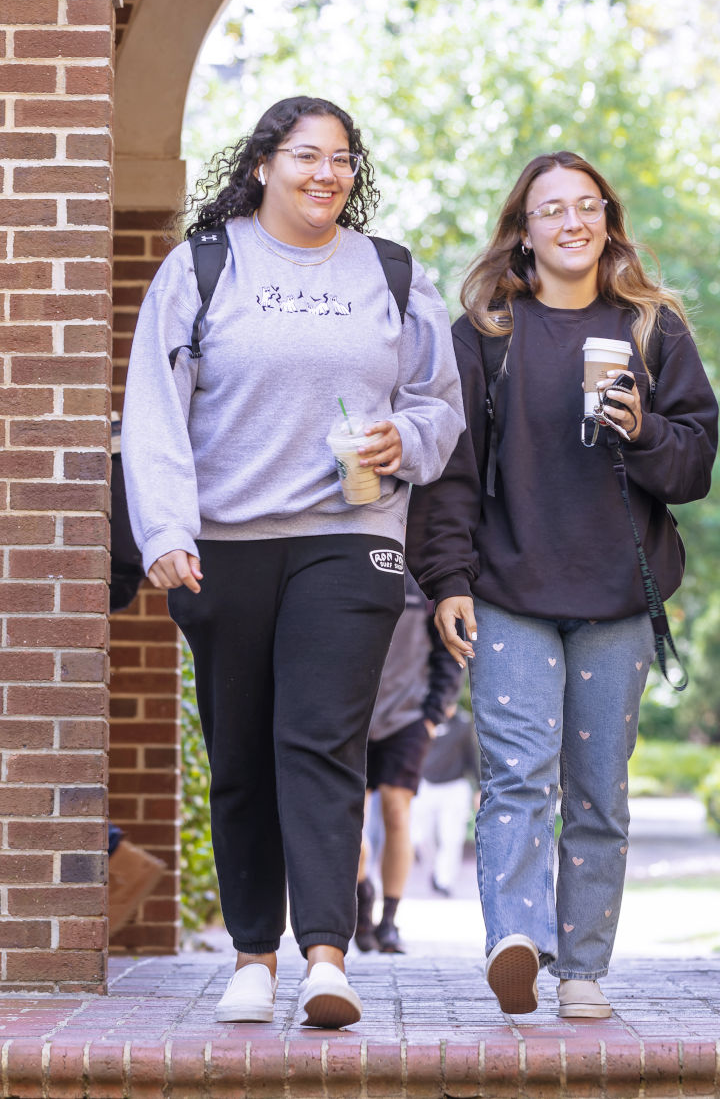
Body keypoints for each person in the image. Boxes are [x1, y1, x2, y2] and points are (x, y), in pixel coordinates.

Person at [122, 96, 464, 1028]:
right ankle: (250, 956)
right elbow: (153, 407)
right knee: (239, 752)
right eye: (307, 156)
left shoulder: (389, 272)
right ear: (265, 163)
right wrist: (164, 530)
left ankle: (324, 957)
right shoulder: (204, 266)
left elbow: (441, 402)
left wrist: (410, 437)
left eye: (343, 159)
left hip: (350, 538)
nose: (326, 174)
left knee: (320, 740)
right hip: (225, 544)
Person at [408, 150, 718, 1019]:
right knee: (515, 772)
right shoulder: (488, 338)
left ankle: (582, 967)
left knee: (598, 788)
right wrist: (447, 581)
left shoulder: (655, 328)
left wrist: (645, 428)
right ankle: (515, 937)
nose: (573, 222)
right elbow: (453, 474)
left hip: (619, 597)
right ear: (525, 230)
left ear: (609, 222)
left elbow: (694, 464)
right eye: (553, 209)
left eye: (588, 206)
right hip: (509, 591)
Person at [354, 581, 463, 954]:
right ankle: (362, 898)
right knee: (351, 816)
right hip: (353, 719)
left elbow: (450, 648)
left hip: (408, 719)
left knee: (397, 813)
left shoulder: (426, 585)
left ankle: (389, 922)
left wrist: (432, 715)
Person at [411, 707, 476, 896]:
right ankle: (433, 869)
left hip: (454, 786)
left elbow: (470, 756)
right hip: (426, 786)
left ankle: (444, 880)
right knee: (420, 837)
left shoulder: (462, 724)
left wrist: (479, 788)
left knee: (452, 837)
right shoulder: (423, 719)